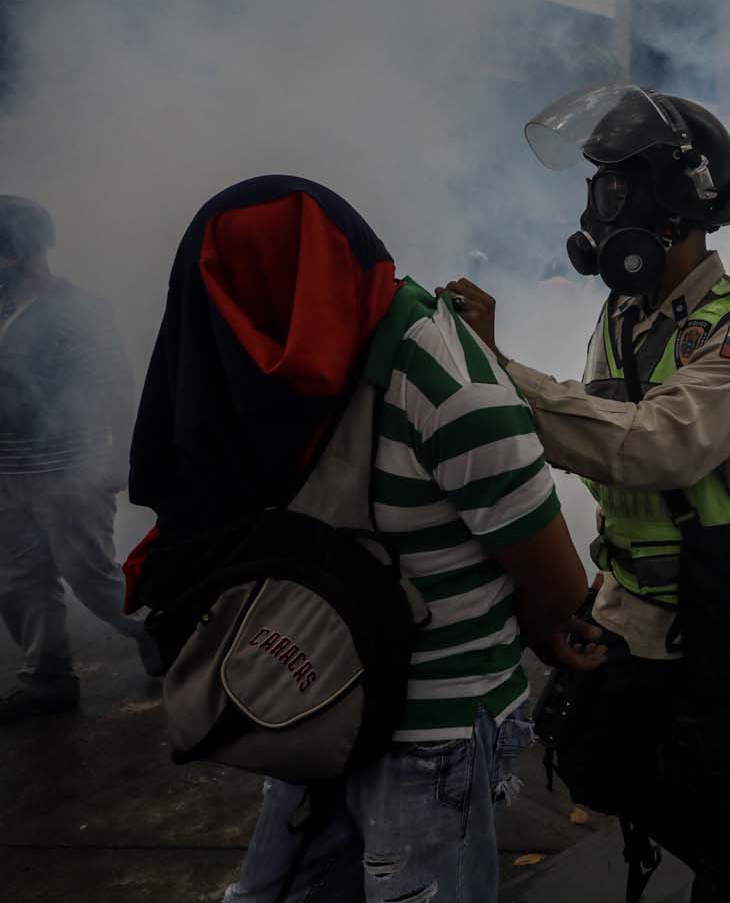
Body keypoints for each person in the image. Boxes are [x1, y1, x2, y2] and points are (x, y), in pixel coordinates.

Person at [124, 176, 599, 903]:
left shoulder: (447, 384)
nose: (249, 338)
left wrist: (542, 629)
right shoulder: (266, 387)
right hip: (315, 703)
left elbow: (560, 586)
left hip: (429, 737)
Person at [447, 84, 730, 902]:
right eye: (598, 188)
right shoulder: (623, 314)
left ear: (673, 204)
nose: (601, 209)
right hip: (626, 607)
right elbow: (600, 441)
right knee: (585, 756)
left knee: (727, 840)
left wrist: (502, 377)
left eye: (616, 188)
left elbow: (653, 445)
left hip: (710, 625)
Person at [0, 195, 162, 723]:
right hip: (9, 473)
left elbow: (114, 388)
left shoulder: (80, 310)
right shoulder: (2, 308)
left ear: (16, 253)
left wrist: (121, 460)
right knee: (20, 580)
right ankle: (47, 679)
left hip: (70, 469)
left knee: (88, 573)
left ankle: (156, 629)